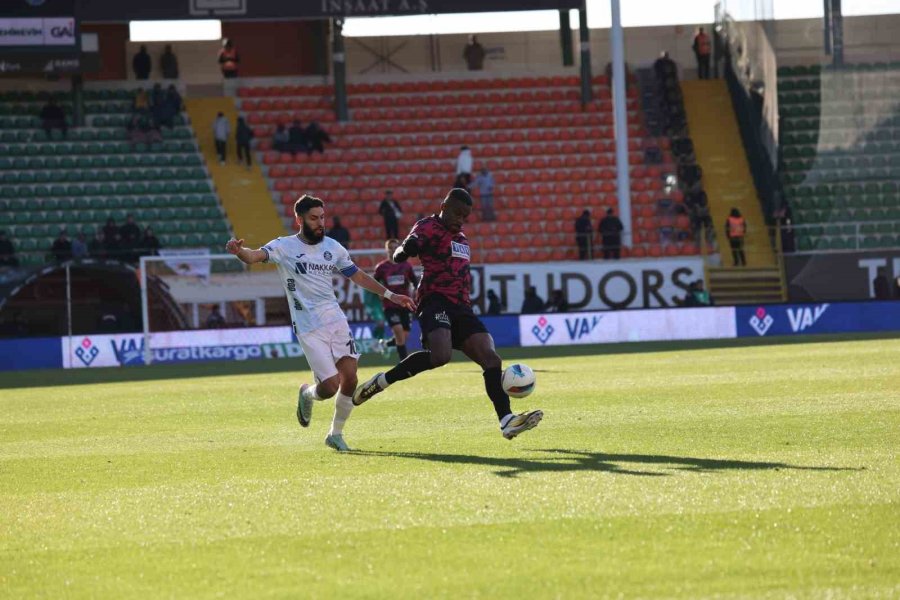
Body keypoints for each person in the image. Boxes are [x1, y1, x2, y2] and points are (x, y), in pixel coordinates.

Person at [225, 195, 415, 452]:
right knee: (329, 387)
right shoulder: (284, 246)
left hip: (335, 319)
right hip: (308, 326)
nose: (320, 223)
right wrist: (240, 252)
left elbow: (358, 276)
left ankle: (335, 434)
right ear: (299, 219)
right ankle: (307, 393)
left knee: (350, 378)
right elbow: (254, 256)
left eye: (322, 217)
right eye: (314, 218)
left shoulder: (333, 247)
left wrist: (391, 295)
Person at [351, 188, 543, 441]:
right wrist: (405, 250)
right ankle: (381, 381)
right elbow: (403, 251)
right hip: (434, 300)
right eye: (457, 213)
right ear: (444, 206)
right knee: (440, 356)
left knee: (492, 359)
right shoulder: (428, 226)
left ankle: (506, 420)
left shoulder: (462, 239)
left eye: (465, 216)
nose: (460, 220)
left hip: (462, 306)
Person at [374, 239, 419, 361]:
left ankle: (386, 344)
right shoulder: (381, 267)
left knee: (403, 336)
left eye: (395, 247)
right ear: (387, 250)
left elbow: (415, 281)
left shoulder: (406, 266)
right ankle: (405, 363)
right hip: (390, 305)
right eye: (391, 247)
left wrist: (416, 290)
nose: (393, 249)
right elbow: (374, 283)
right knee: (398, 331)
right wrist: (379, 293)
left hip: (405, 304)